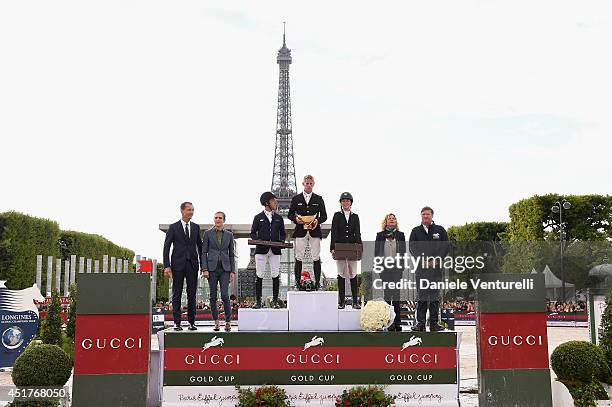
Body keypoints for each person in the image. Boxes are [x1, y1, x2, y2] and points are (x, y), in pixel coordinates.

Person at [409, 206, 449, 332]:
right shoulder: (415, 231)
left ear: (432, 216)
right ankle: (420, 323)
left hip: (436, 269)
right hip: (421, 269)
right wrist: (423, 260)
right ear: (421, 216)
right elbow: (412, 248)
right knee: (422, 296)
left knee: (434, 297)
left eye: (427, 214)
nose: (425, 216)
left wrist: (437, 260)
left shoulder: (440, 230)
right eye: (423, 214)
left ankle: (434, 323)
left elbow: (445, 247)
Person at [163, 202, 202, 331]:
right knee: (177, 294)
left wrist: (204, 266)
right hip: (177, 265)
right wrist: (167, 266)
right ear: (182, 211)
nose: (191, 212)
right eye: (189, 210)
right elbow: (166, 247)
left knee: (192, 294)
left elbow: (200, 248)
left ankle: (192, 322)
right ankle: (176, 323)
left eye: (192, 210)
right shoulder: (173, 227)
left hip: (192, 265)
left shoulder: (196, 227)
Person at [288, 175, 327, 289]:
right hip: (301, 231)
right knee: (298, 256)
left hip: (314, 230)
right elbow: (290, 214)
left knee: (316, 256)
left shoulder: (319, 199)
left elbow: (324, 216)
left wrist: (317, 221)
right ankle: (297, 282)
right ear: (303, 184)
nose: (309, 185)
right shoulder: (296, 199)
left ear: (313, 184)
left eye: (311, 183)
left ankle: (317, 283)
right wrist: (296, 219)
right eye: (307, 183)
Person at [250, 192, 287, 309]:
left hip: (275, 250)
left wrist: (281, 241)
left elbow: (283, 233)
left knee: (275, 275)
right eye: (273, 201)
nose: (276, 203)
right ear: (267, 203)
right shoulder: (258, 217)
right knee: (259, 274)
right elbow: (252, 233)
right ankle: (258, 301)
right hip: (261, 250)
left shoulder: (279, 218)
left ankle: (275, 301)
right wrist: (258, 240)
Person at [201, 211, 236, 332]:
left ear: (224, 220)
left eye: (220, 218)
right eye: (216, 218)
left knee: (225, 296)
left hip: (225, 269)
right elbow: (203, 252)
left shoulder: (229, 235)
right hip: (211, 269)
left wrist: (233, 271)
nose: (217, 220)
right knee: (212, 296)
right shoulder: (207, 234)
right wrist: (204, 269)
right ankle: (216, 322)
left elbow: (232, 254)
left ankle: (227, 322)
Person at [330, 192, 362, 309]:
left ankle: (355, 301)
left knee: (353, 273)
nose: (346, 202)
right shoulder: (337, 215)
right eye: (343, 201)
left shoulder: (355, 216)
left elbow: (357, 233)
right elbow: (334, 231)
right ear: (341, 203)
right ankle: (341, 301)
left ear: (351, 202)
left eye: (348, 200)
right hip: (340, 247)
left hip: (352, 247)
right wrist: (332, 247)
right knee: (341, 274)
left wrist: (359, 248)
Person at [375, 213, 406, 331]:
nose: (392, 220)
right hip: (385, 268)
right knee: (387, 295)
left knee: (396, 295)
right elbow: (377, 252)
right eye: (389, 218)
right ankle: (387, 321)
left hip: (397, 268)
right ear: (386, 221)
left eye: (394, 219)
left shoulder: (401, 235)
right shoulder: (380, 235)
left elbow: (403, 252)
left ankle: (397, 322)